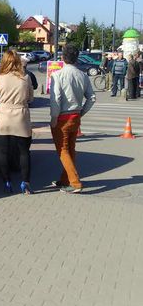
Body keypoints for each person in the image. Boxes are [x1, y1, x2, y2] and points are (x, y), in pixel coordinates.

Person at [50, 44, 96, 194]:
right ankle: (65, 179)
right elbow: (92, 98)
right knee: (70, 149)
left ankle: (75, 183)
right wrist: (81, 112)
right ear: (76, 58)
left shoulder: (57, 75)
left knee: (63, 151)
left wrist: (54, 117)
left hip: (62, 117)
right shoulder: (83, 75)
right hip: (76, 116)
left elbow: (55, 99)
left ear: (63, 58)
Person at [0, 50, 34, 195]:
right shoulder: (25, 78)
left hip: (3, 116)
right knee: (24, 152)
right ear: (17, 61)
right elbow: (30, 98)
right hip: (20, 116)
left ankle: (7, 182)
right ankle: (25, 183)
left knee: (3, 152)